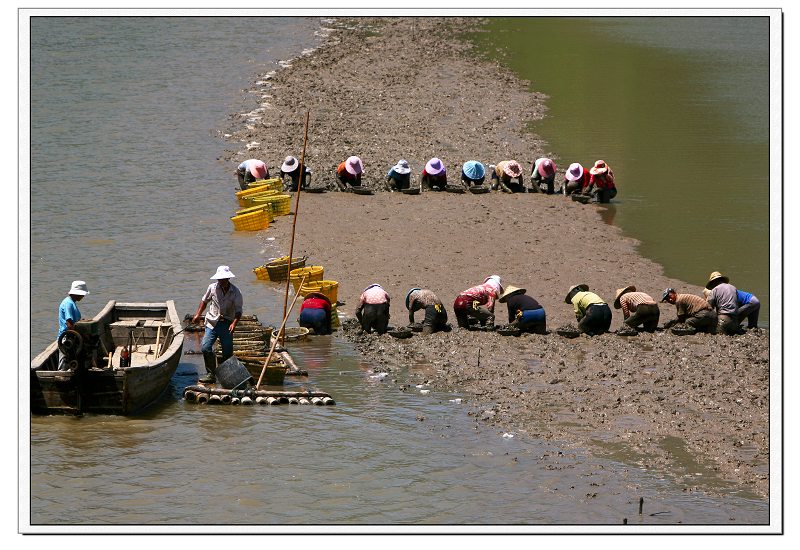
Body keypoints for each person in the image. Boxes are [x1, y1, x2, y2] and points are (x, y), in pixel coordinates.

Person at [191, 266, 243, 384]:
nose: (221, 281)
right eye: (219, 279)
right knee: (205, 347)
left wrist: (234, 323)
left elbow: (239, 311)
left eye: (223, 279)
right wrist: (198, 314)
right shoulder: (212, 288)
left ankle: (227, 376)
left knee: (227, 352)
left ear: (228, 278)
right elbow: (204, 301)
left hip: (227, 323)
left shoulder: (236, 292)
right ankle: (211, 374)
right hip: (212, 322)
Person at [58, 280, 89, 370]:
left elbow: (74, 321)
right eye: (82, 294)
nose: (83, 296)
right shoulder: (68, 303)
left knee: (72, 361)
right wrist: (81, 337)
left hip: (73, 337)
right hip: (67, 339)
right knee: (64, 363)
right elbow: (69, 324)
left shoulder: (72, 303)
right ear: (77, 293)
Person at [705, 271, 739, 335]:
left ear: (713, 282)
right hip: (736, 322)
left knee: (709, 330)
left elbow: (709, 307)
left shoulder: (715, 290)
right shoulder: (733, 287)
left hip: (723, 321)